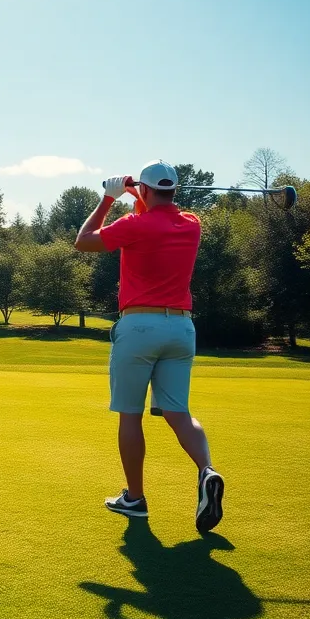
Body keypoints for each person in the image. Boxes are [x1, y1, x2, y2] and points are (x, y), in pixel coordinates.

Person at [74, 160, 224, 534]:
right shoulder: (191, 224)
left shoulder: (133, 225)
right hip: (181, 328)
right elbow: (156, 213)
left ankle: (135, 499)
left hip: (140, 326)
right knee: (178, 412)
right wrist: (136, 192)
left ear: (145, 189)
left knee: (130, 414)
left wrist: (108, 199)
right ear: (174, 190)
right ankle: (207, 470)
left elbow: (84, 241)